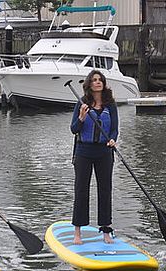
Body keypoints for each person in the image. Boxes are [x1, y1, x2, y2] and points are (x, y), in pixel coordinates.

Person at [70, 70, 118, 245]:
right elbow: (74, 129)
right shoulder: (82, 103)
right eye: (95, 80)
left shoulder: (110, 105)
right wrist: (81, 118)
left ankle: (105, 230)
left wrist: (113, 139)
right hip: (84, 151)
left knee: (105, 190)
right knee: (81, 190)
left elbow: (115, 128)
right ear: (89, 84)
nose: (98, 82)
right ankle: (77, 231)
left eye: (100, 80)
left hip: (104, 152)